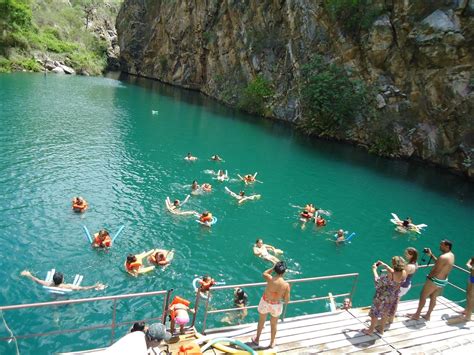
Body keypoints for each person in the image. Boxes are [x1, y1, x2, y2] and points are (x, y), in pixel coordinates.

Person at [408, 240, 455, 321]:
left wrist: (429, 277)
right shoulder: (451, 255)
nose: (440, 246)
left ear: (447, 246)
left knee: (423, 295)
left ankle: (417, 314)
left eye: (442, 245)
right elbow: (439, 263)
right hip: (443, 281)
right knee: (433, 297)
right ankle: (428, 315)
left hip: (435, 280)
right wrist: (431, 255)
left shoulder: (443, 257)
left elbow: (436, 269)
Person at [363, 256, 406, 335]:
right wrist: (385, 266)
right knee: (385, 313)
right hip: (392, 296)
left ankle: (370, 330)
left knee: (375, 313)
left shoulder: (390, 275)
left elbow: (378, 282)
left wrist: (374, 270)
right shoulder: (404, 272)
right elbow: (395, 273)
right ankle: (381, 329)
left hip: (382, 296)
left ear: (394, 264)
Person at [252, 261, 290, 349]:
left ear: (275, 270)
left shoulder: (269, 278)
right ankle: (272, 342)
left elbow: (264, 273)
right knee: (274, 324)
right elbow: (287, 300)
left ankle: (257, 339)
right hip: (276, 305)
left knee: (261, 321)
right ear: (284, 272)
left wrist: (273, 267)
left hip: (265, 302)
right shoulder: (286, 285)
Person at [20, 270, 106, 290]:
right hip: (64, 297)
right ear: (62, 279)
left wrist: (28, 274)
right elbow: (83, 288)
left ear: (53, 280)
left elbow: (36, 280)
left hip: (53, 296)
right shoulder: (67, 286)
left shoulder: (47, 284)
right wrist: (95, 286)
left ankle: (56, 320)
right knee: (70, 304)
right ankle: (76, 316)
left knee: (55, 308)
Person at [451, 257, 473, 322]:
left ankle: (468, 316)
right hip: (471, 277)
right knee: (468, 293)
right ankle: (466, 310)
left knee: (472, 298)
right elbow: (468, 263)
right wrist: (471, 267)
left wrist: (471, 268)